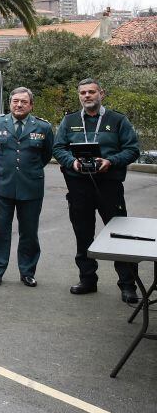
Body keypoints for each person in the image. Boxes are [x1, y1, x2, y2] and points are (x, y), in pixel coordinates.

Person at [52, 78, 141, 304]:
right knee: (83, 235)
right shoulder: (69, 120)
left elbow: (132, 149)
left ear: (101, 93)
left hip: (108, 184)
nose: (87, 96)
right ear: (79, 96)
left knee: (120, 235)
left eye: (92, 92)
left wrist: (111, 161)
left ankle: (128, 285)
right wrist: (72, 162)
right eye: (83, 93)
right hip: (78, 185)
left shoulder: (118, 120)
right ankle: (88, 279)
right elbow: (58, 148)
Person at [0, 87, 54, 288]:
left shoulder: (43, 127)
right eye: (15, 101)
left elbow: (46, 155)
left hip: (31, 186)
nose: (19, 105)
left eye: (23, 102)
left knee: (29, 232)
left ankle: (27, 272)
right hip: (2, 185)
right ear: (10, 103)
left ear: (31, 105)